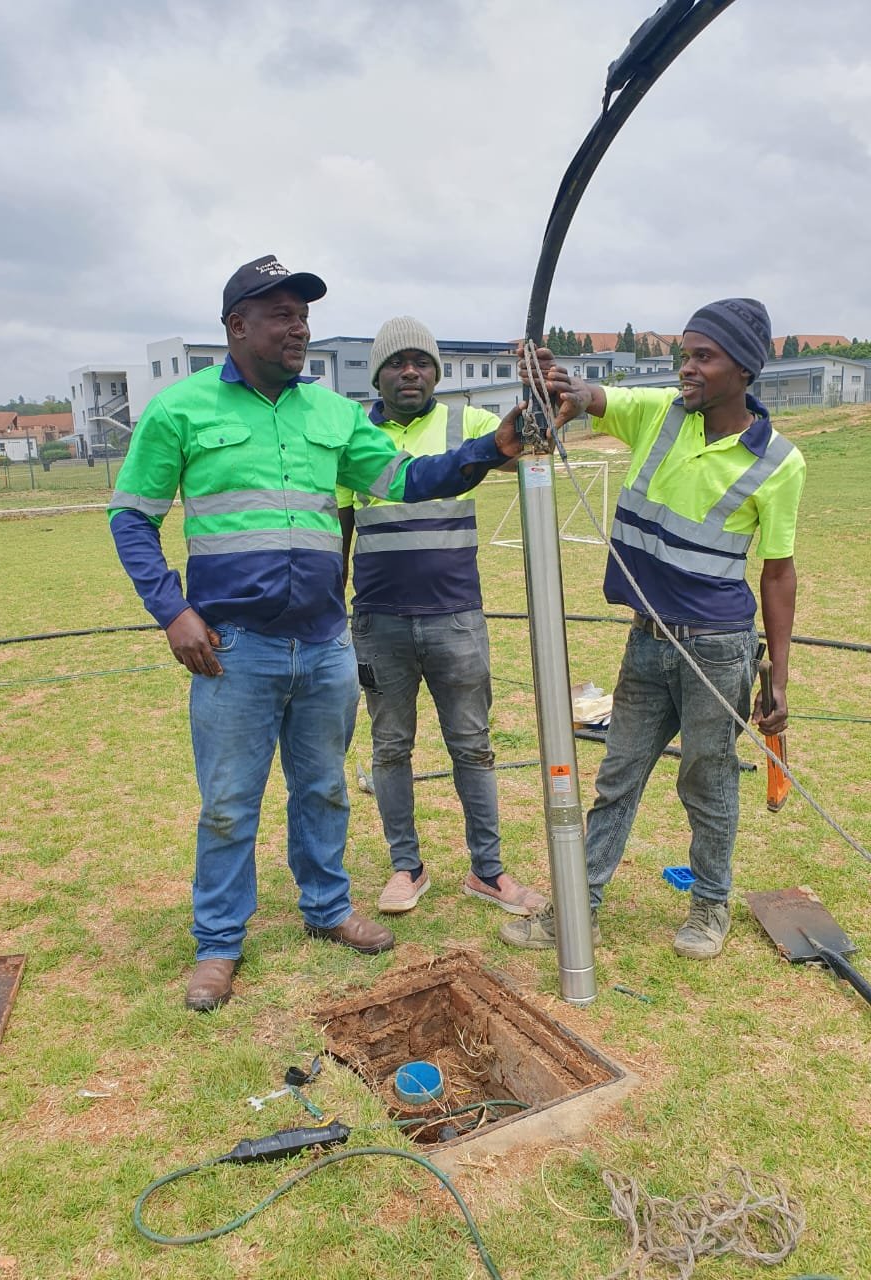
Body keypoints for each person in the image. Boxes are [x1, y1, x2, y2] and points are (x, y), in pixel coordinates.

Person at [109, 256, 525, 1010]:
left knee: (325, 789)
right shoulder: (180, 410)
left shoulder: (333, 415)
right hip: (233, 650)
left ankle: (327, 909)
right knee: (231, 802)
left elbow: (406, 479)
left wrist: (489, 451)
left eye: (304, 314)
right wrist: (172, 611)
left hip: (327, 644)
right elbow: (132, 518)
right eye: (280, 313)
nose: (299, 327)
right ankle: (219, 944)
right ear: (237, 326)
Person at [501, 298, 805, 959]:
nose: (686, 368)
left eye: (703, 357)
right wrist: (555, 383)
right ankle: (574, 911)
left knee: (708, 780)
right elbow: (586, 396)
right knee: (617, 778)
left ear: (745, 368)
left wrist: (778, 678)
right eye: (683, 355)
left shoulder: (780, 462)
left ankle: (710, 906)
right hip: (647, 642)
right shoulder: (659, 415)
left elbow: (778, 575)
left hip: (717, 652)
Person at [338, 317, 547, 918]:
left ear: (436, 372)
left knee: (473, 747)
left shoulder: (467, 425)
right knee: (389, 748)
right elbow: (343, 531)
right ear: (377, 373)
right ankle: (407, 868)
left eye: (423, 362)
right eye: (397, 362)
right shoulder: (354, 438)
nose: (411, 371)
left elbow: (528, 436)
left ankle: (489, 872)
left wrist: (538, 387)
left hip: (456, 619)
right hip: (378, 622)